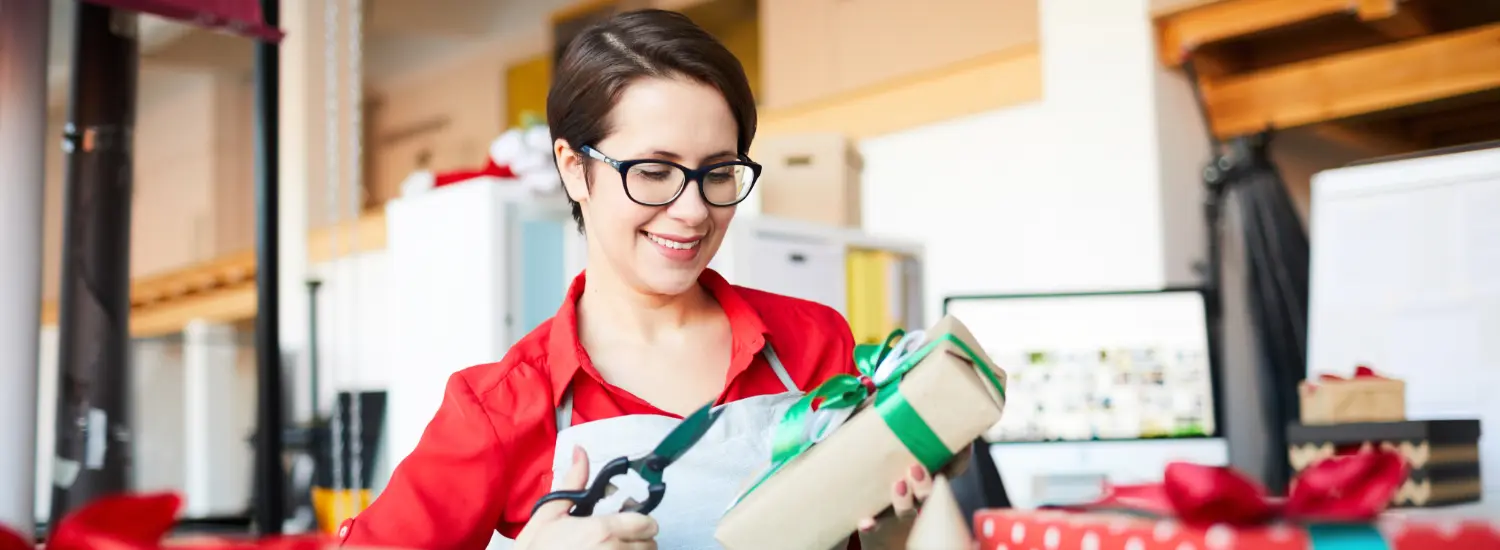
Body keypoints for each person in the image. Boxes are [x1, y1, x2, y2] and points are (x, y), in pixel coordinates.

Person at [340, 10, 941, 550]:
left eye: (719, 172)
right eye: (654, 171)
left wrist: (895, 533)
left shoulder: (812, 343)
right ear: (575, 170)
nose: (694, 210)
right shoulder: (500, 408)